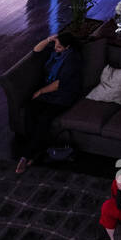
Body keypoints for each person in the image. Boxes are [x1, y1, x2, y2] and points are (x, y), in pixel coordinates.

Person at [16, 32, 83, 172]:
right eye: (55, 45)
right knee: (29, 110)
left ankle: (25, 156)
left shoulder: (72, 59)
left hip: (64, 94)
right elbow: (36, 50)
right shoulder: (55, 53)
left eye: (59, 47)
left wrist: (40, 91)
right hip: (49, 92)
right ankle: (35, 152)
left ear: (67, 47)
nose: (55, 48)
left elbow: (60, 83)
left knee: (45, 119)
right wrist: (49, 39)